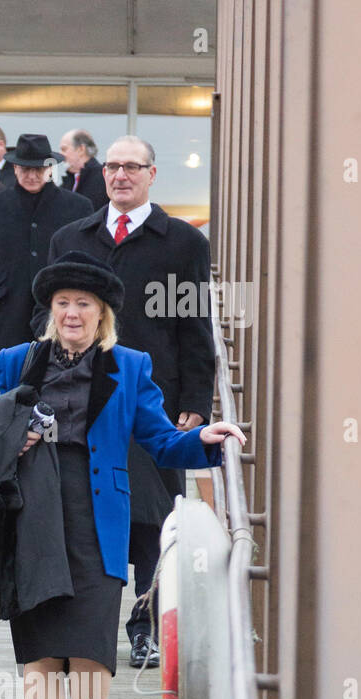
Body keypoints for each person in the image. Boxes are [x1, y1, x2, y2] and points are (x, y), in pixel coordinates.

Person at [0, 250, 244, 699]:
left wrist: (205, 436)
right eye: (63, 304)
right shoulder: (17, 361)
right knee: (39, 655)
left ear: (101, 312)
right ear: (50, 311)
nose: (72, 313)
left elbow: (159, 441)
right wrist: (17, 441)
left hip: (96, 518)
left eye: (83, 304)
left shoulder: (128, 366)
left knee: (89, 652)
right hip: (31, 517)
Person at [42, 135, 216, 668]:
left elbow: (195, 325)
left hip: (154, 403)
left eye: (132, 167)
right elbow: (47, 319)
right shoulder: (73, 236)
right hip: (80, 401)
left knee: (154, 519)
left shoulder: (183, 242)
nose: (120, 175)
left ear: (151, 175)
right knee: (85, 513)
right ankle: (81, 625)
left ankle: (146, 625)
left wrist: (195, 401)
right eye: (113, 167)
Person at [0, 133, 92, 400]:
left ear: (50, 169)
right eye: (25, 169)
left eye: (39, 169)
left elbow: (86, 268)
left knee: (59, 388)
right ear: (15, 168)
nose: (32, 175)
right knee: (4, 390)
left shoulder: (77, 207)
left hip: (62, 315)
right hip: (6, 312)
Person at [58, 129, 107, 210]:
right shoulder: (66, 183)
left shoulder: (104, 178)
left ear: (81, 149)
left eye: (64, 149)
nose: (60, 154)